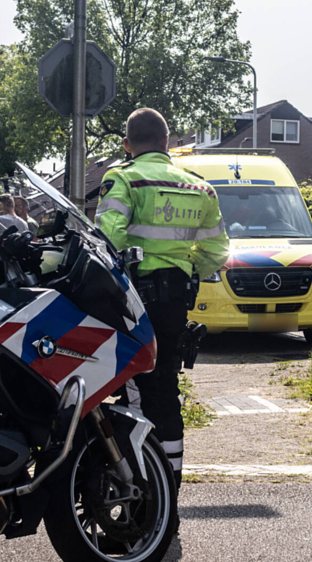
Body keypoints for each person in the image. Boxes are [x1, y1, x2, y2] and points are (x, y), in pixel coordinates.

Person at [97, 108, 229, 486]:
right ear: (166, 141)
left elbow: (109, 239)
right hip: (175, 305)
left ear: (127, 144)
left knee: (137, 391)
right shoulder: (200, 188)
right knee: (166, 390)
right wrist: (186, 273)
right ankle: (169, 481)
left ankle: (146, 488)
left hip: (134, 302)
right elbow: (217, 251)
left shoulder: (123, 179)